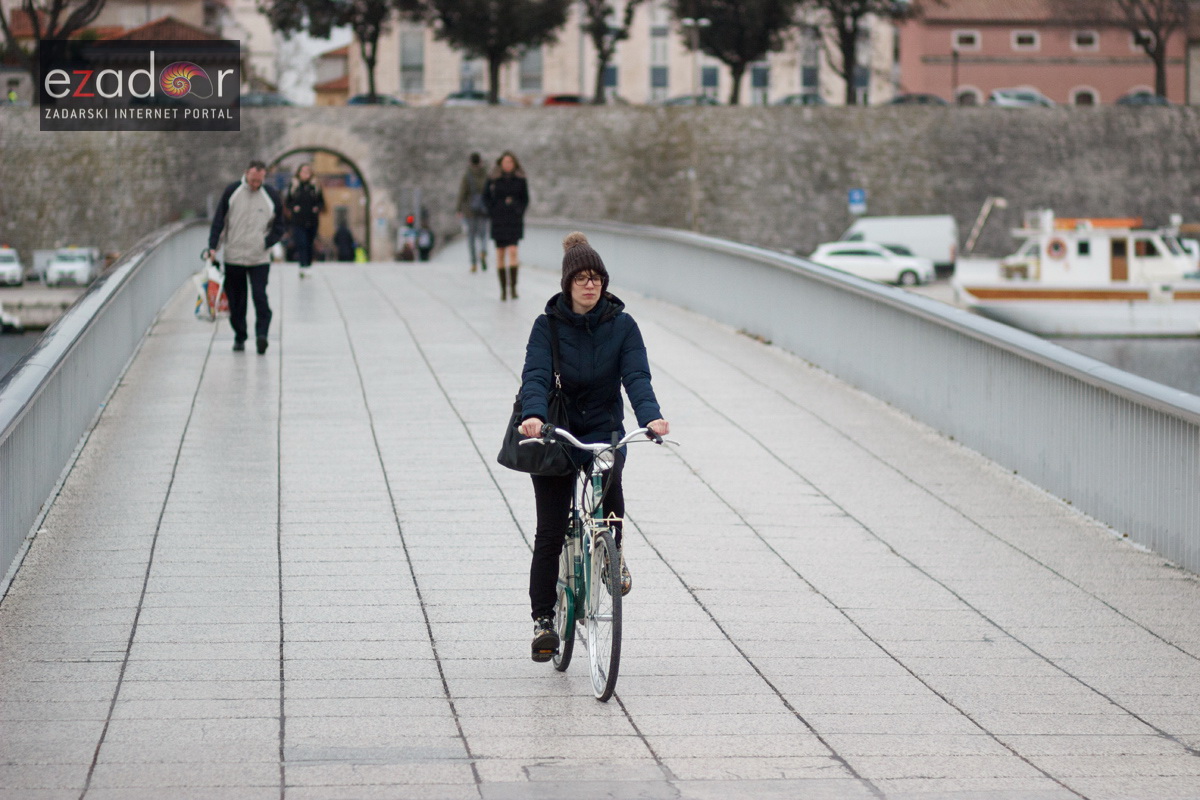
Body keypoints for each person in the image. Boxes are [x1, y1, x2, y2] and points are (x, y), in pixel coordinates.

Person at [517, 232, 670, 662]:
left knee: (611, 481)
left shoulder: (623, 326)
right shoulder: (546, 326)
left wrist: (650, 418)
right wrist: (534, 416)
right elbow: (535, 376)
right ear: (567, 283)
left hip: (603, 428)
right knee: (550, 530)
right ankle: (543, 621)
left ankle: (611, 555)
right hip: (557, 432)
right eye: (582, 278)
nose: (590, 285)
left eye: (597, 278)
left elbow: (637, 377)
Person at [205, 160, 285, 354]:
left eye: (259, 180)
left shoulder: (271, 195)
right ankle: (240, 335)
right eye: (253, 180)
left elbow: (280, 224)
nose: (255, 184)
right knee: (236, 301)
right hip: (234, 256)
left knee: (260, 296)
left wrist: (266, 242)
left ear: (264, 177)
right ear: (246, 173)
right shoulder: (232, 191)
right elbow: (219, 221)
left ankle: (262, 335)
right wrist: (213, 247)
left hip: (259, 258)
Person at [483, 151, 528, 301]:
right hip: (499, 219)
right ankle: (503, 290)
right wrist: (493, 211)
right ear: (501, 163)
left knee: (513, 251)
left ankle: (513, 287)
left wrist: (518, 210)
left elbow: (525, 199)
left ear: (514, 163)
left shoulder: (520, 179)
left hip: (514, 219)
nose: (508, 165)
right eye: (505, 162)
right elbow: (485, 197)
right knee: (500, 252)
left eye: (510, 162)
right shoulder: (493, 179)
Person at [284, 163, 324, 278]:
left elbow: (321, 202)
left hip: (312, 220)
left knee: (309, 243)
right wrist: (294, 208)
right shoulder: (294, 186)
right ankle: (303, 265)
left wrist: (317, 208)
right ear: (299, 173)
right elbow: (288, 201)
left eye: (308, 172)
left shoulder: (315, 186)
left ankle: (308, 265)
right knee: (302, 243)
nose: (305, 174)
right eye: (303, 172)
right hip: (298, 220)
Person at [456, 152, 490, 273]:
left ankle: (474, 262)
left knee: (471, 237)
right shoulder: (486, 175)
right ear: (481, 162)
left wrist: (458, 208)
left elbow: (462, 193)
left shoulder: (468, 175)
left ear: (470, 162)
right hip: (484, 210)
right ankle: (483, 250)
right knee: (483, 234)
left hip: (470, 210)